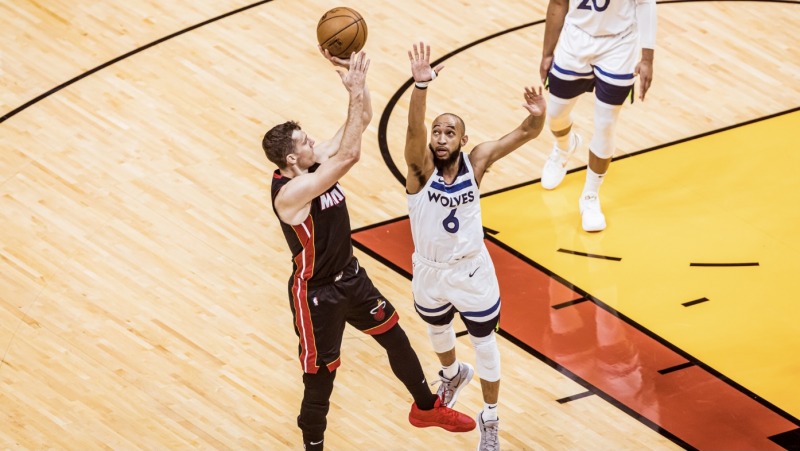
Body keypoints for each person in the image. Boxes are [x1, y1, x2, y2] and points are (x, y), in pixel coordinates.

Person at [264, 48, 475, 451]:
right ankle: (313, 446)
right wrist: (355, 90)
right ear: (291, 158)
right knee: (320, 379)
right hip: (317, 294)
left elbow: (360, 123)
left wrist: (355, 88)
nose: (313, 142)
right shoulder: (291, 193)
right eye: (305, 141)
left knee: (394, 336)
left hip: (350, 276)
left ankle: (426, 408)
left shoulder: (311, 162)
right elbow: (350, 154)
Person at [404, 41, 547, 451]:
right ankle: (453, 375)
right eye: (437, 131)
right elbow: (413, 133)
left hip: (471, 270)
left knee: (485, 346)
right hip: (429, 269)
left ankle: (491, 417)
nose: (441, 137)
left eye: (450, 132)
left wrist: (538, 115)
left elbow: (526, 132)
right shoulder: (419, 172)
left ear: (463, 140)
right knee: (437, 331)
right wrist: (420, 86)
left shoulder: (477, 161)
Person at [538, 0, 656, 231]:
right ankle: (564, 146)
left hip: (619, 44)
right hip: (575, 39)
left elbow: (646, 3)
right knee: (555, 115)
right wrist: (547, 53)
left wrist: (647, 58)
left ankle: (590, 196)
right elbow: (559, 3)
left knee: (606, 124)